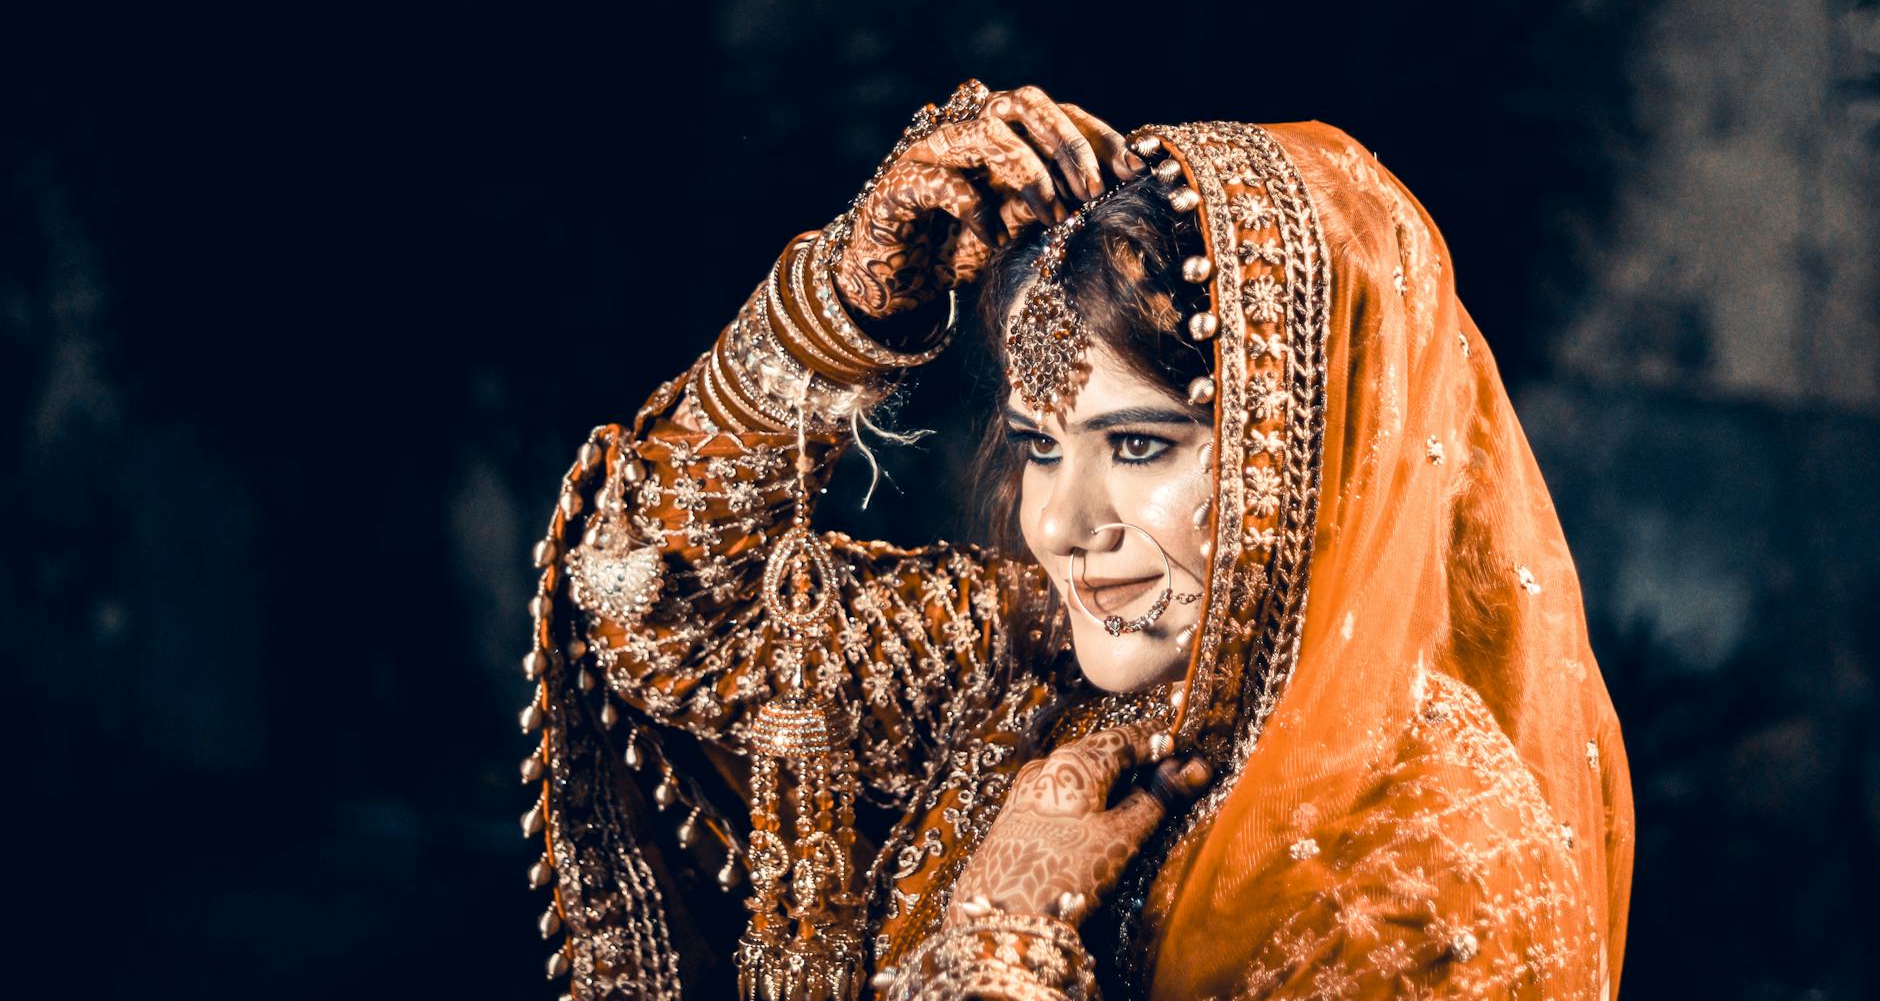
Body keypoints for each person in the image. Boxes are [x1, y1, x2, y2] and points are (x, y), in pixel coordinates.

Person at [516, 82, 1635, 1000]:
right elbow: (653, 599)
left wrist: (1003, 943)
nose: (1060, 525)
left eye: (1140, 446)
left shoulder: (1436, 867)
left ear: (1311, 457)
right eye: (1040, 445)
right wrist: (841, 306)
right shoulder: (1036, 666)